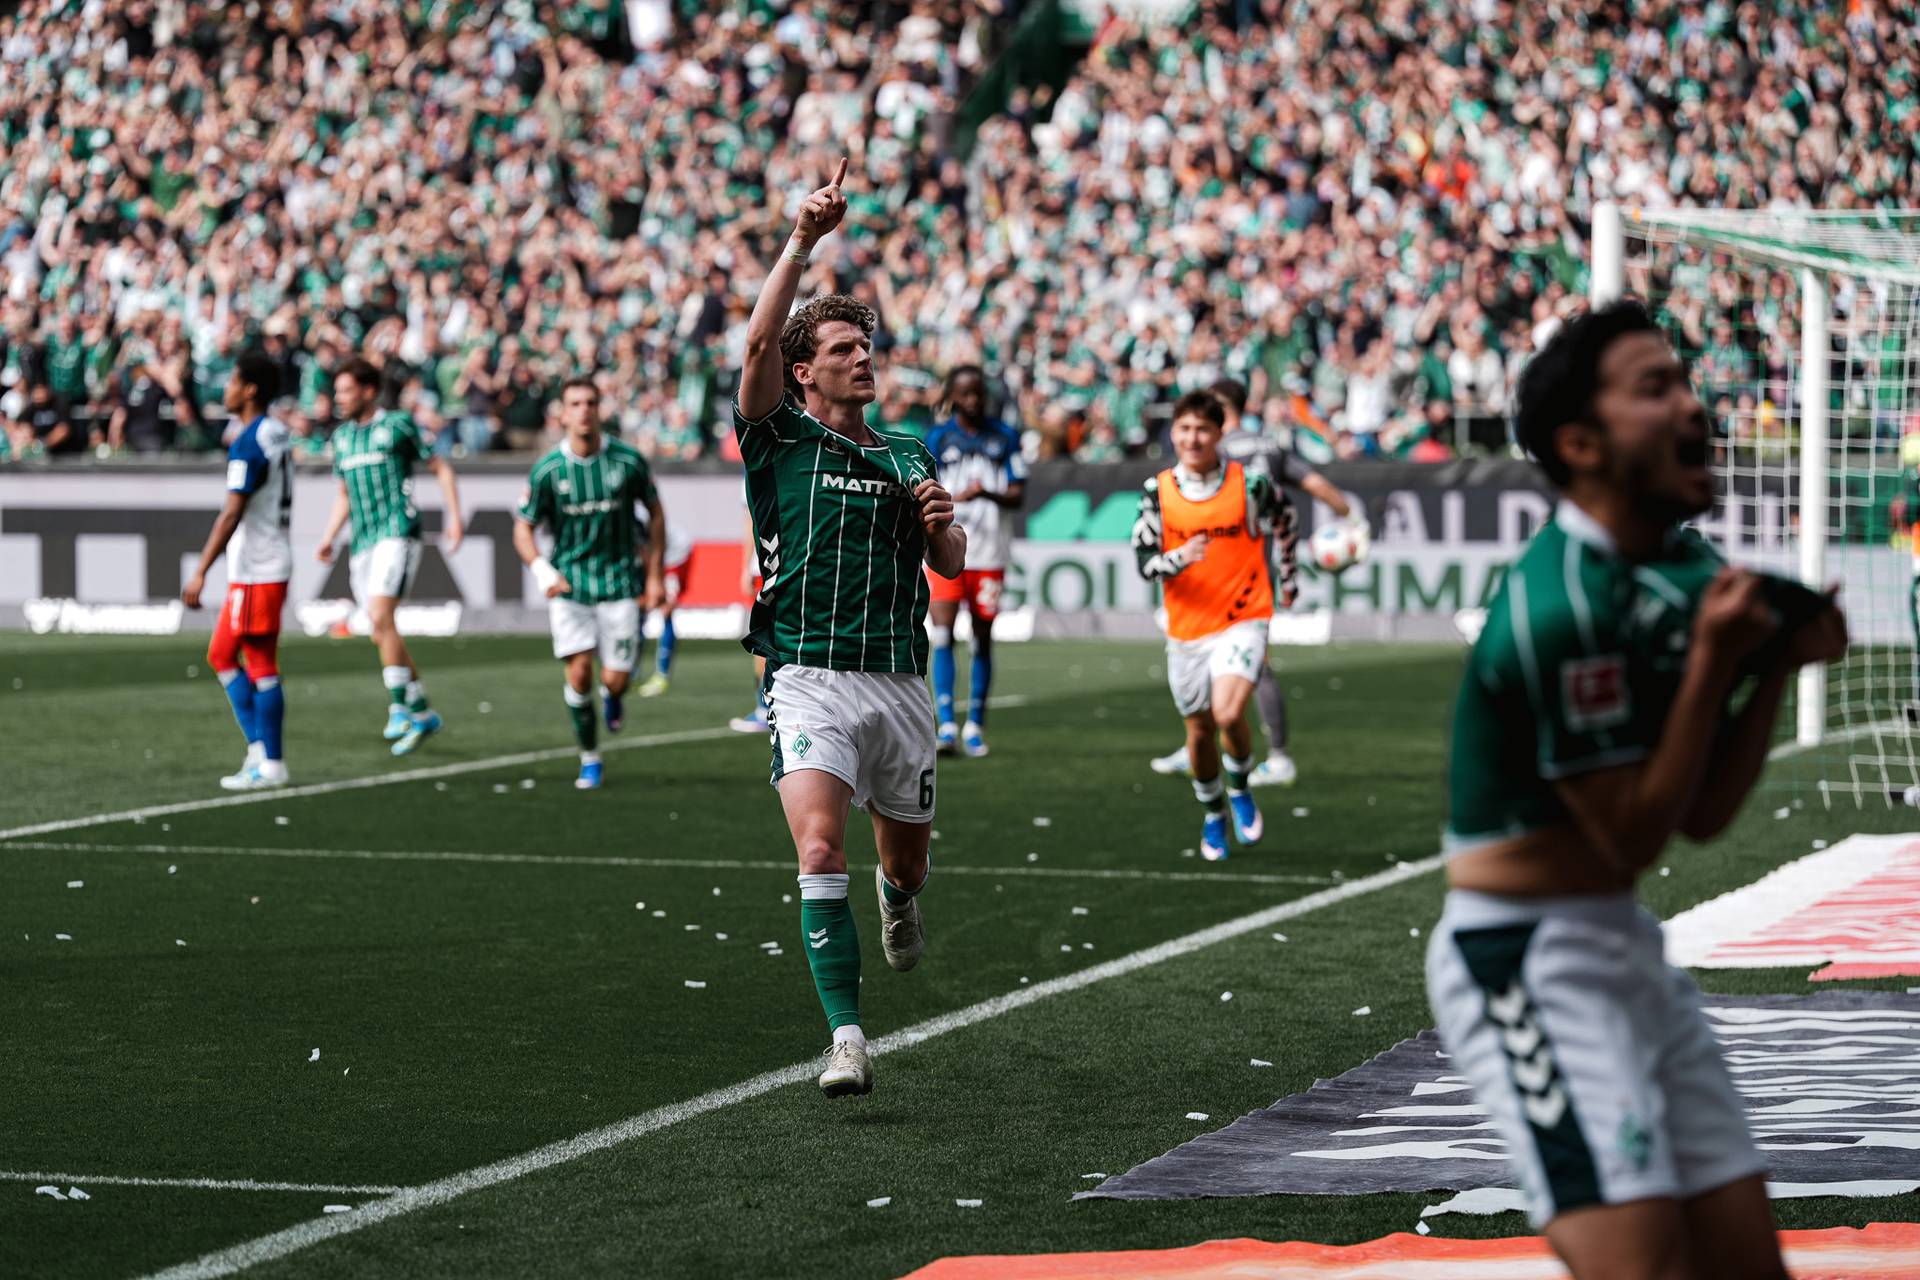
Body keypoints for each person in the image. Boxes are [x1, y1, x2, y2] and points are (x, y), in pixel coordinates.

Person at [1428, 301, 1846, 1280]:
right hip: (1523, 957)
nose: (1692, 405)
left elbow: (1701, 813)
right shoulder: (1561, 602)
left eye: (1684, 380)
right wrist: (1719, 664)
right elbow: (1631, 836)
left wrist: (1772, 668)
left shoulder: (1682, 565)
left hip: (1621, 938)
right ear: (1581, 443)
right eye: (1655, 387)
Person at [737, 158, 966, 1098]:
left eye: (866, 348)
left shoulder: (910, 451)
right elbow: (757, 342)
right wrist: (803, 238)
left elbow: (950, 564)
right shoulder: (779, 436)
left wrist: (943, 525)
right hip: (806, 674)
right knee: (819, 850)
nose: (863, 360)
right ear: (804, 372)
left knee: (903, 862)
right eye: (842, 350)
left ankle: (900, 896)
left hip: (899, 680)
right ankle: (846, 1037)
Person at [1149, 377, 1366, 786]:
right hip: (1254, 567)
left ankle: (1277, 757)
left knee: (1251, 665)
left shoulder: (1214, 453)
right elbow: (1316, 484)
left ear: (1218, 408)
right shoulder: (1269, 446)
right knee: (1229, 664)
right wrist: (1353, 518)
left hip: (1219, 571)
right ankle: (1201, 744)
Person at [1134, 391, 1299, 862]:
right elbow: (1145, 563)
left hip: (1244, 616)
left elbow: (1286, 518)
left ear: (1219, 433)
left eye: (1202, 429)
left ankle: (1241, 786)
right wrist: (1178, 558)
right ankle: (1213, 813)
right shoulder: (1158, 491)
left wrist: (1289, 578)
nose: (1192, 439)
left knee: (1228, 713)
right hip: (1187, 627)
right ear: (1173, 433)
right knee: (1200, 731)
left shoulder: (1250, 485)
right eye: (1184, 429)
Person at [513, 378, 667, 789]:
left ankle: (613, 696)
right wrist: (541, 570)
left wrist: (655, 575)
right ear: (563, 414)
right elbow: (523, 527)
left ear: (600, 410)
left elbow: (655, 513)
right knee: (579, 672)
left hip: (620, 584)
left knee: (615, 680)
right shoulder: (548, 470)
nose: (584, 410)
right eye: (575, 404)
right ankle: (589, 757)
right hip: (571, 586)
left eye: (590, 403)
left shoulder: (628, 461)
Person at [315, 357, 466, 756]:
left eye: (346, 391)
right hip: (362, 541)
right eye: (337, 392)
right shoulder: (342, 438)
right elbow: (344, 493)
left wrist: (454, 517)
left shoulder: (397, 425)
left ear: (368, 391)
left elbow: (440, 467)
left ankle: (399, 708)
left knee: (382, 616)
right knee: (380, 631)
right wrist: (329, 536)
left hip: (398, 532)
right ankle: (422, 710)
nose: (339, 398)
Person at [182, 353, 293, 790]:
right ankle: (259, 751)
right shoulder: (275, 432)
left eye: (231, 382)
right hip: (263, 562)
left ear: (249, 390)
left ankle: (271, 762)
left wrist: (200, 570)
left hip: (257, 568)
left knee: (260, 663)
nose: (225, 389)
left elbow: (231, 513)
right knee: (222, 654)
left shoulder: (249, 442)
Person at [924, 364, 1026, 757]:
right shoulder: (937, 438)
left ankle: (976, 726)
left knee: (982, 638)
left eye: (979, 393)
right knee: (943, 634)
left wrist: (985, 494)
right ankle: (947, 724)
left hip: (990, 552)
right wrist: (954, 500)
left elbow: (1018, 494)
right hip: (945, 548)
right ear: (953, 396)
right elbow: (923, 490)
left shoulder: (1005, 437)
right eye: (965, 393)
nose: (973, 400)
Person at [728, 503, 774, 734]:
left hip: (766, 564)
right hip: (792, 560)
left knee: (763, 636)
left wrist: (745, 567)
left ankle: (764, 708)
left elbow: (751, 523)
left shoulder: (751, 479)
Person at [638, 519, 695, 698]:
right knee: (638, 608)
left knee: (666, 610)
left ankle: (662, 675)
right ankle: (632, 670)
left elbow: (650, 546)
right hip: (657, 557)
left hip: (675, 556)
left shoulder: (638, 519)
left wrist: (654, 580)